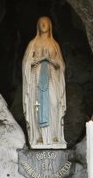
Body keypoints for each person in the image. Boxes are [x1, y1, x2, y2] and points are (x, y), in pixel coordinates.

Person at [22, 15, 66, 149]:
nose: (43, 24)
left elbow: (61, 65)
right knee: (37, 105)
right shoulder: (33, 43)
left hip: (52, 78)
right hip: (36, 79)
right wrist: (37, 60)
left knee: (53, 103)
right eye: (40, 22)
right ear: (37, 26)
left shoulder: (54, 44)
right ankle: (39, 137)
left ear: (50, 25)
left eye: (46, 22)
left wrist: (50, 60)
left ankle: (54, 135)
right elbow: (25, 62)